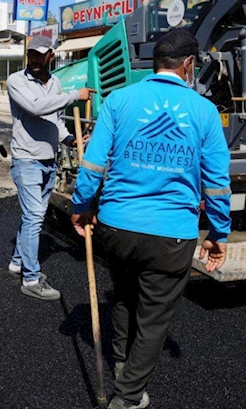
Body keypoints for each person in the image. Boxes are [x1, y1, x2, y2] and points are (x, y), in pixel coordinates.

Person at [71, 29, 231, 409]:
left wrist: (82, 205)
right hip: (171, 235)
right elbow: (217, 184)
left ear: (155, 63)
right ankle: (128, 397)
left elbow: (92, 165)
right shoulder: (205, 111)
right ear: (189, 64)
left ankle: (122, 367)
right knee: (154, 318)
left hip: (117, 227)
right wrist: (218, 232)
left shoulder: (119, 99)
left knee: (124, 298)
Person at [6, 35, 94, 300]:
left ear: (51, 56)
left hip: (48, 160)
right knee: (34, 217)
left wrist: (70, 140)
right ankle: (31, 279)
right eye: (31, 54)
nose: (34, 59)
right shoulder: (16, 81)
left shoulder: (55, 83)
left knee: (33, 216)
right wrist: (74, 96)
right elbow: (35, 108)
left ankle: (17, 262)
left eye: (40, 55)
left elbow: (55, 121)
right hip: (26, 160)